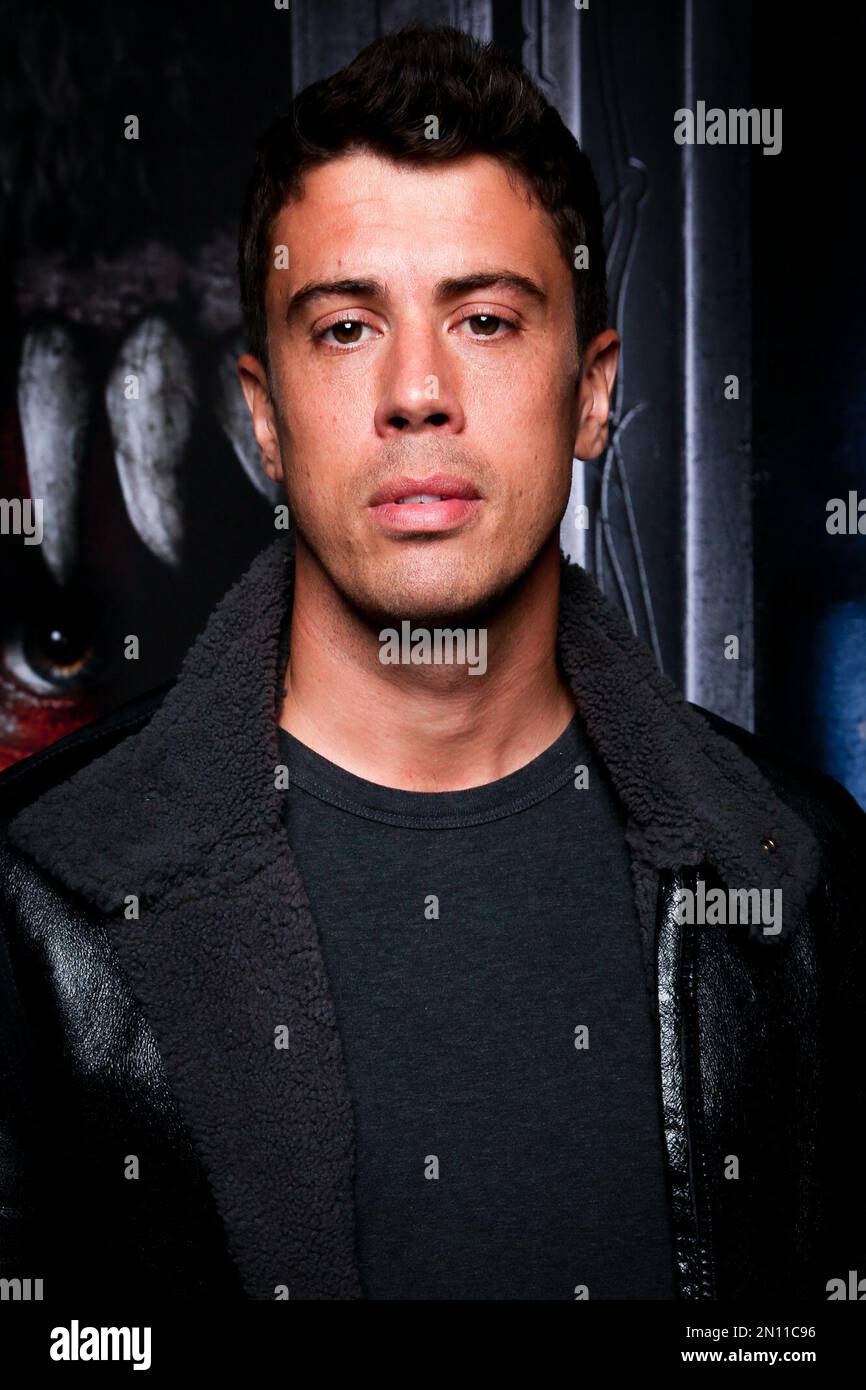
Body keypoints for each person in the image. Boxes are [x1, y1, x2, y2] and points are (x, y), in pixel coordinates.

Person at [0, 23, 863, 1303]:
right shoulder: (36, 902)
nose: (416, 391)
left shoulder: (801, 884)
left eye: (486, 319)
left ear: (591, 394)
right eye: (346, 327)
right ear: (263, 420)